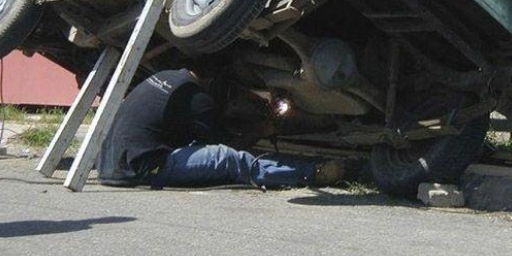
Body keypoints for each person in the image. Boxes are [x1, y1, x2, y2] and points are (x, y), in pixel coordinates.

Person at [96, 69, 345, 189]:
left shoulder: (168, 76)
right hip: (142, 168)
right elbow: (224, 146)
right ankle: (311, 172)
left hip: (111, 165)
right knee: (227, 159)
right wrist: (260, 131)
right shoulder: (197, 97)